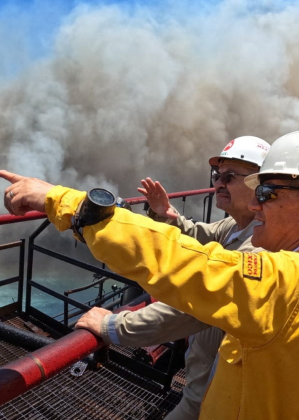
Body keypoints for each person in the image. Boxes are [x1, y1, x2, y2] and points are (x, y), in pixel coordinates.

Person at [0, 130, 299, 420]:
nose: (257, 202)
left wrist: (67, 202)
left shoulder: (290, 281)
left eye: (268, 191)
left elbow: (183, 262)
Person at [75, 136, 270, 420]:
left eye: (229, 177)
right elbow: (201, 234)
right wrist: (169, 216)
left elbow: (188, 307)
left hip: (216, 394)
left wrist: (112, 325)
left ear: (260, 185)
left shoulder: (259, 247)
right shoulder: (239, 225)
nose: (218, 183)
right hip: (205, 377)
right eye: (217, 175)